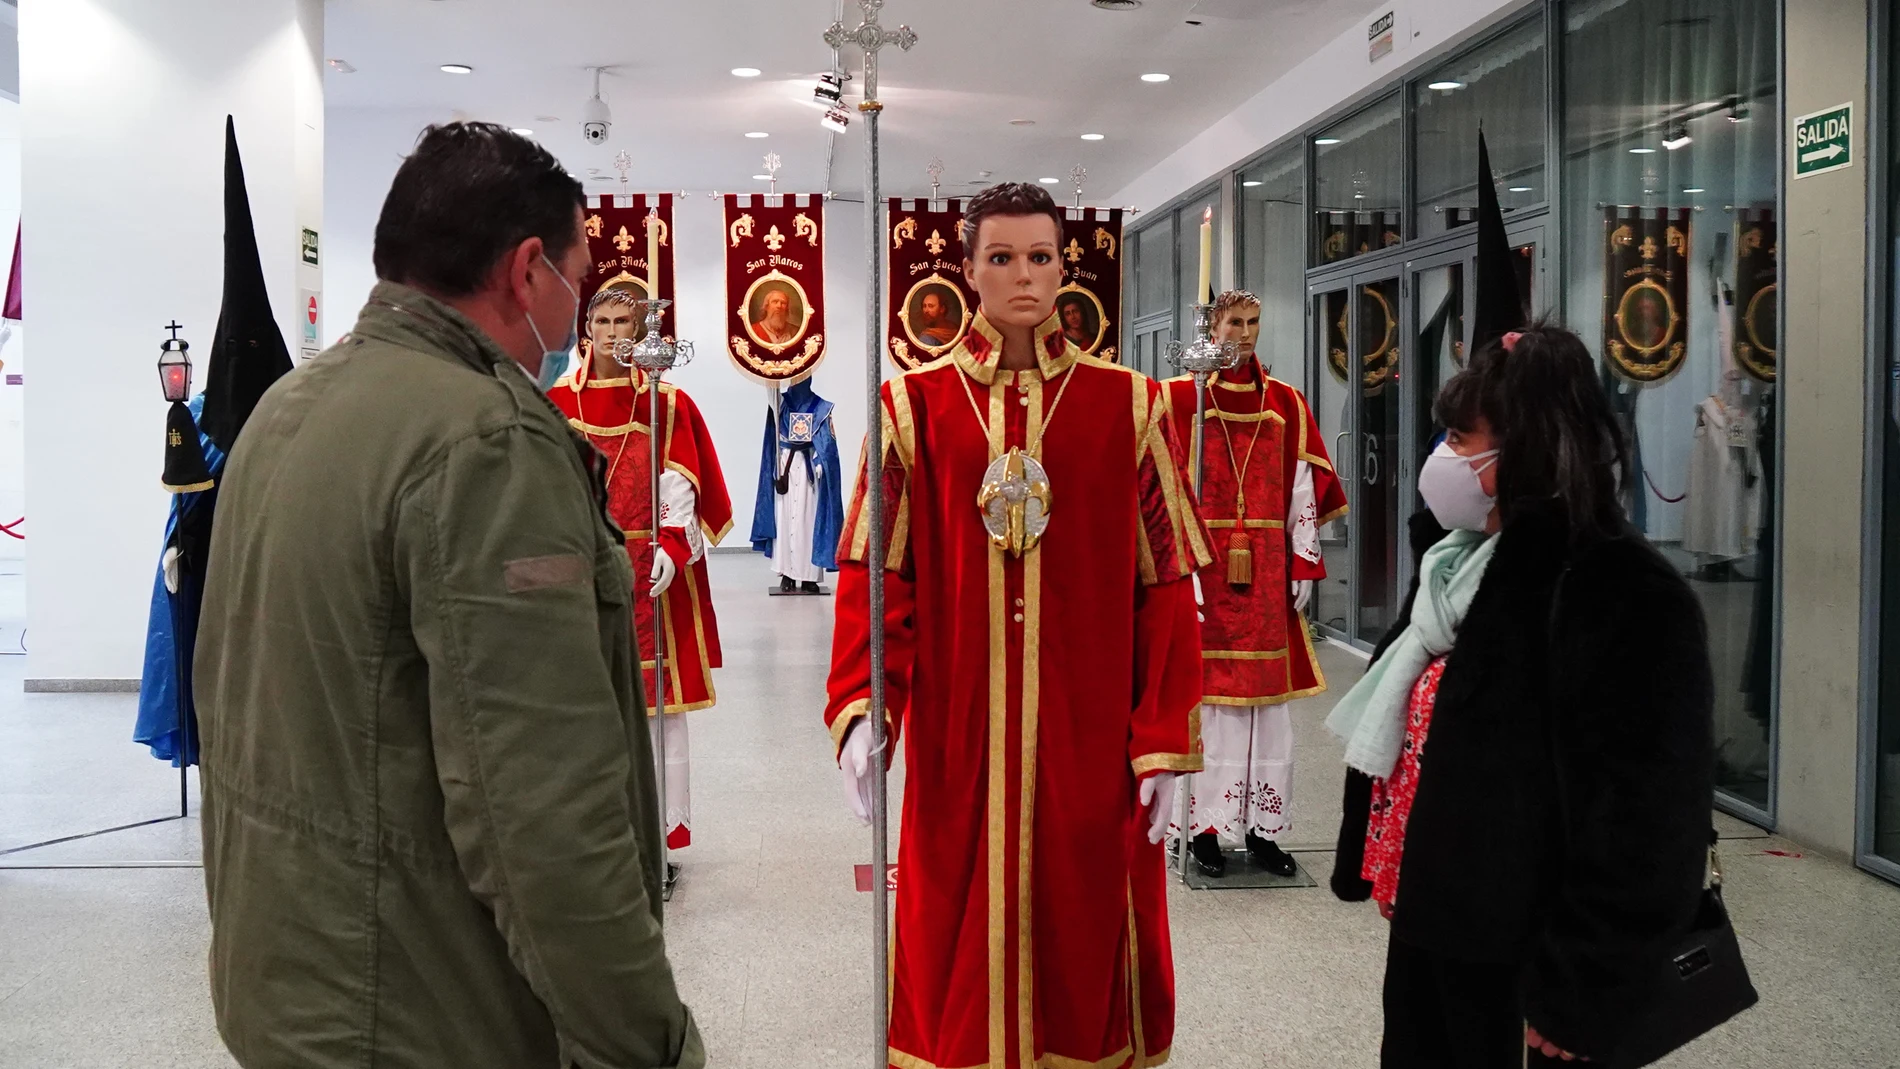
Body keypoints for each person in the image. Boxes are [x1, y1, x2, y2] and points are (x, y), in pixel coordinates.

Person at [192, 122, 704, 1068]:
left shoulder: (291, 406)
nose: (582, 300)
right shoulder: (486, 445)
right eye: (578, 274)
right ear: (526, 273)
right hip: (420, 1008)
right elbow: (540, 817)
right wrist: (649, 1042)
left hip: (289, 976)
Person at [826, 181, 1211, 1069]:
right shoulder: (911, 408)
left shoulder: (1131, 405)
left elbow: (1166, 589)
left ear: (1063, 266)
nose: (1023, 276)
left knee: (1082, 909)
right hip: (961, 729)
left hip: (1089, 729)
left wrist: (1161, 736)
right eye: (1001, 258)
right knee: (951, 907)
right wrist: (864, 706)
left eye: (1040, 256)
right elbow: (875, 581)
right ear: (968, 270)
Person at [1327, 324, 1715, 1067]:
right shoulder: (1458, 562)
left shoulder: (1617, 589)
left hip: (1533, 949)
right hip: (1436, 918)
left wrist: (1583, 987)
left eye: (1460, 438)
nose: (1443, 457)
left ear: (1525, 449)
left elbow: (1646, 817)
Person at [1161, 289, 1346, 879]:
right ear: (1211, 328)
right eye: (1233, 322)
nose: (1245, 333)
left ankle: (1263, 831)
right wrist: (1176, 566)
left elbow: (1301, 488)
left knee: (1268, 712)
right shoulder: (1182, 400)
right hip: (1205, 571)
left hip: (1264, 573)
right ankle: (1206, 828)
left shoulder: (1286, 403)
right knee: (1213, 706)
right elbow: (1161, 488)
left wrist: (1304, 561)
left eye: (1253, 322)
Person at [553, 285, 734, 850]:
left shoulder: (666, 401)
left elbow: (678, 484)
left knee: (659, 715)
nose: (611, 332)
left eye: (622, 322)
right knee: (580, 708)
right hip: (579, 574)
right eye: (602, 321)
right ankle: (592, 835)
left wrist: (672, 548)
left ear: (640, 332)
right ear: (588, 329)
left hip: (649, 575)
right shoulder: (556, 402)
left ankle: (660, 837)